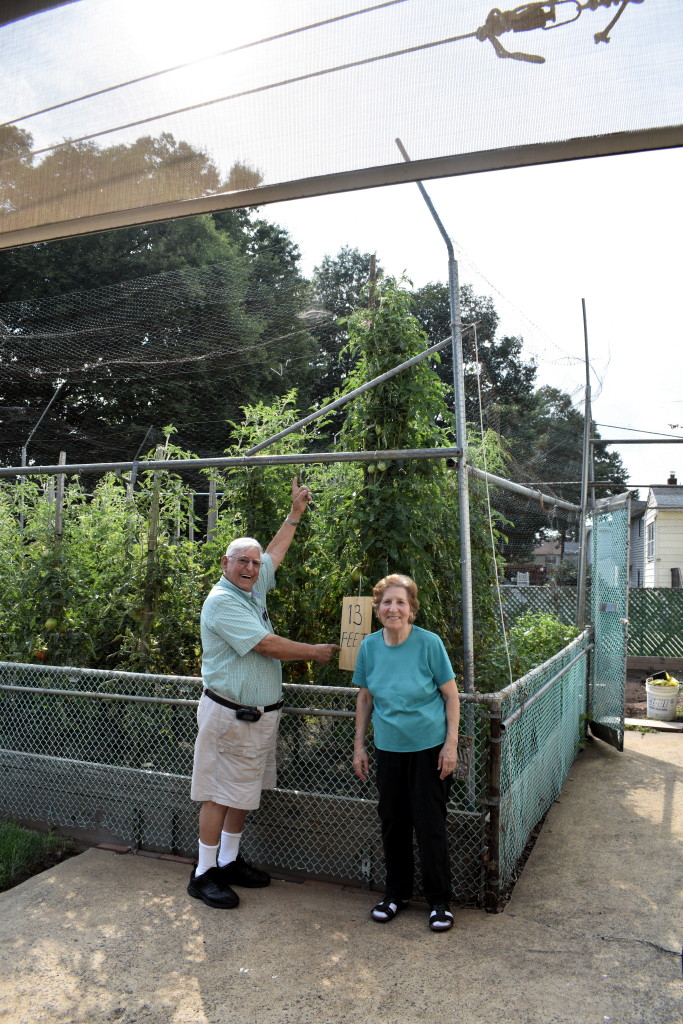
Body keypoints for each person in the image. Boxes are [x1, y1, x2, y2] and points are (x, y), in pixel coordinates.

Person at [188, 477, 340, 909]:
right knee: (219, 793)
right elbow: (265, 644)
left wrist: (295, 514)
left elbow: (275, 554)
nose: (252, 567)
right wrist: (315, 652)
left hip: (257, 715)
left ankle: (230, 861)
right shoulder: (223, 602)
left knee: (243, 791)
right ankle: (203, 873)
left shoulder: (252, 588)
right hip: (230, 717)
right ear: (225, 563)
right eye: (242, 562)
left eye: (253, 563)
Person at [352, 573, 460, 933]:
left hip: (429, 751)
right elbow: (365, 697)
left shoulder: (429, 644)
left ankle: (439, 902)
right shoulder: (369, 647)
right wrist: (359, 745)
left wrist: (451, 745)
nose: (393, 608)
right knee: (393, 824)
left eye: (400, 602)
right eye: (386, 602)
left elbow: (451, 696)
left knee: (430, 826)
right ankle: (395, 894)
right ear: (377, 608)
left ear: (412, 609)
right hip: (389, 751)